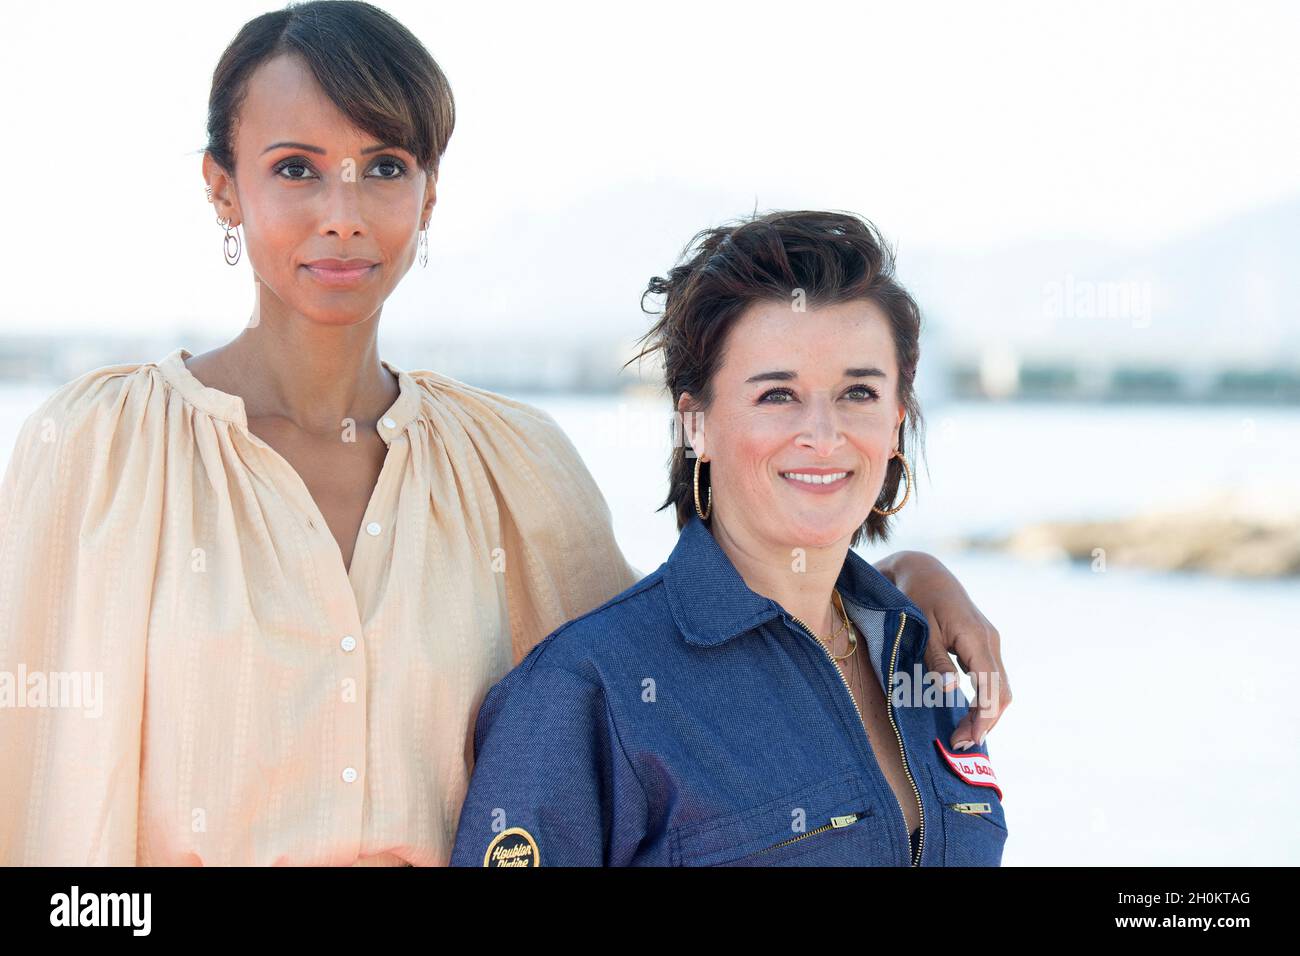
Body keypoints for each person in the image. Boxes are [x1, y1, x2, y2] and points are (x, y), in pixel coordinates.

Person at [0, 3, 1007, 866]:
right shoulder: (101, 456)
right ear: (223, 187)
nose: (343, 213)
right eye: (296, 167)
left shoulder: (511, 469)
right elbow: (41, 805)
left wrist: (906, 579)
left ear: (430, 193)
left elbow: (690, 653)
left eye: (383, 166)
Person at [450, 210, 1009, 866]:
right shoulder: (587, 692)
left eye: (858, 391)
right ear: (697, 426)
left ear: (897, 422)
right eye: (777, 396)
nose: (823, 435)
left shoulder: (927, 658)